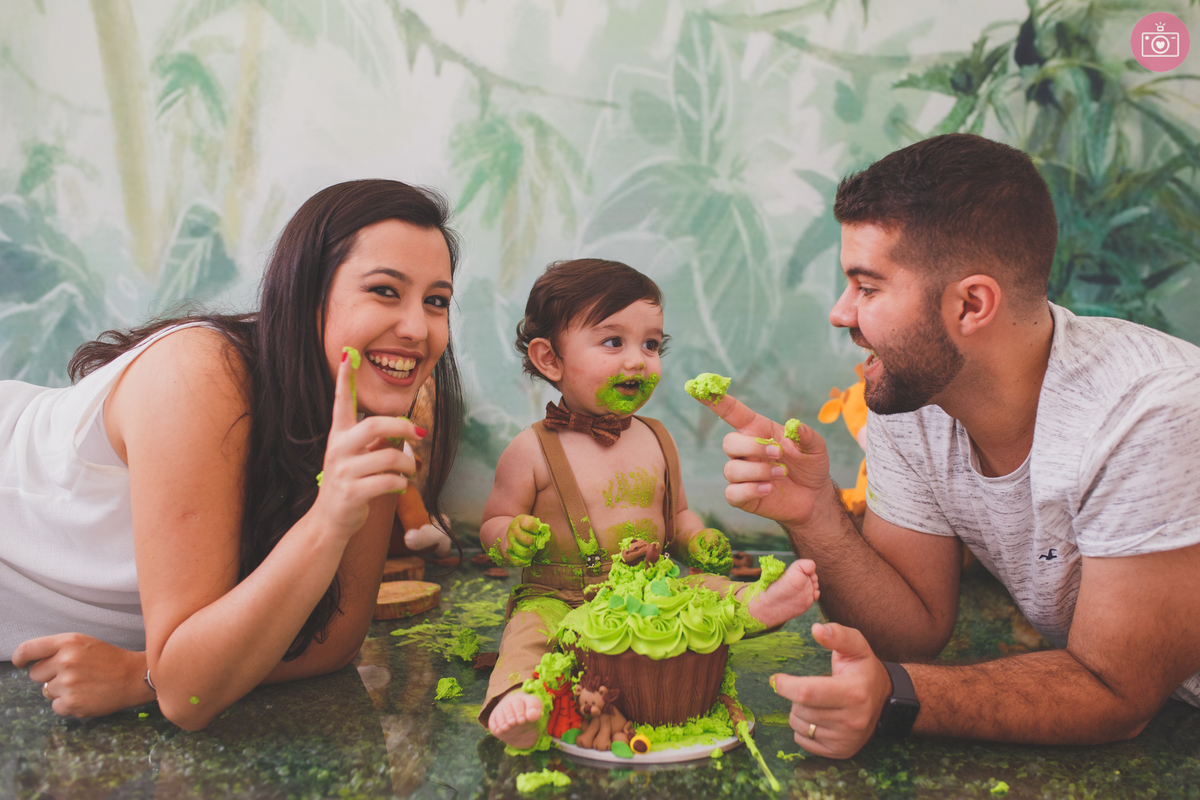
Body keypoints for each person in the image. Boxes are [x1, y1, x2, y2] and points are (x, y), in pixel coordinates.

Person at [698, 133, 1200, 758]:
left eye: (868, 287)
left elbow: (1115, 693)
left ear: (971, 305)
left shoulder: (1151, 412)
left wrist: (895, 697)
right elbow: (908, 632)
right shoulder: (917, 397)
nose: (839, 312)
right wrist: (815, 514)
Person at [2, 179, 464, 730]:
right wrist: (164, 675)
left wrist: (143, 675)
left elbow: (332, 643)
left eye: (436, 301)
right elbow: (186, 693)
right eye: (385, 291)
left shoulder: (369, 419)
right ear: (307, 293)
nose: (417, 328)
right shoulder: (199, 373)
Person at [478, 258, 820, 749]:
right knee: (528, 634)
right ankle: (518, 700)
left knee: (708, 591)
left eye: (652, 344)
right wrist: (508, 536)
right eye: (613, 341)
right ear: (549, 359)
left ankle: (758, 607)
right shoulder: (530, 450)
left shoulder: (657, 438)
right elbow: (495, 520)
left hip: (651, 588)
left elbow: (677, 515)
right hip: (561, 595)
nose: (638, 360)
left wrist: (697, 538)